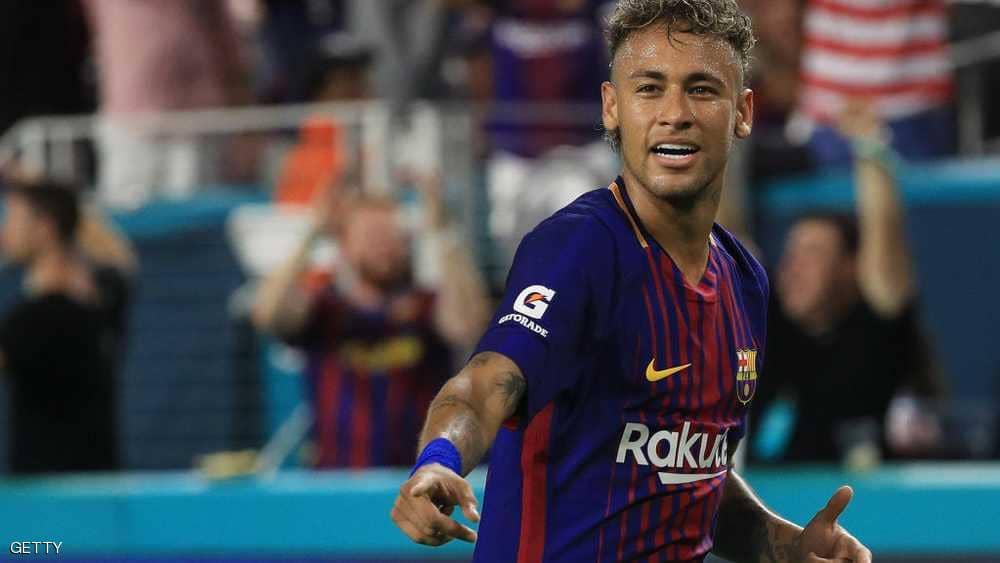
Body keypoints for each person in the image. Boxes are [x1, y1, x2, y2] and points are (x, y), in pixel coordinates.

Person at [390, 1, 872, 561]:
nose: (675, 114)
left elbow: (694, 482)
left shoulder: (744, 281)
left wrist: (790, 546)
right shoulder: (580, 246)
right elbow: (484, 385)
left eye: (701, 90)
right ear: (612, 107)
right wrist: (439, 460)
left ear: (743, 113)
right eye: (650, 89)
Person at [752, 101, 946, 464]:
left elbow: (885, 260)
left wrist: (870, 147)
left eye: (812, 253)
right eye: (791, 253)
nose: (793, 267)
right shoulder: (767, 326)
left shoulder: (876, 331)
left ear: (849, 269)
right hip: (769, 492)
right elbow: (726, 237)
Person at [252, 178, 490, 468]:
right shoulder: (326, 311)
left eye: (390, 235)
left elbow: (468, 324)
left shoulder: (425, 307)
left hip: (419, 480)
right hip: (338, 482)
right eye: (370, 235)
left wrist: (443, 233)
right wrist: (313, 231)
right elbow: (268, 313)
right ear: (344, 244)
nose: (382, 246)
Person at [0, 177, 134, 474]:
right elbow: (116, 250)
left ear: (45, 227)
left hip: (48, 491)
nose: (3, 232)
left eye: (13, 220)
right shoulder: (106, 292)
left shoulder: (32, 321)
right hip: (101, 483)